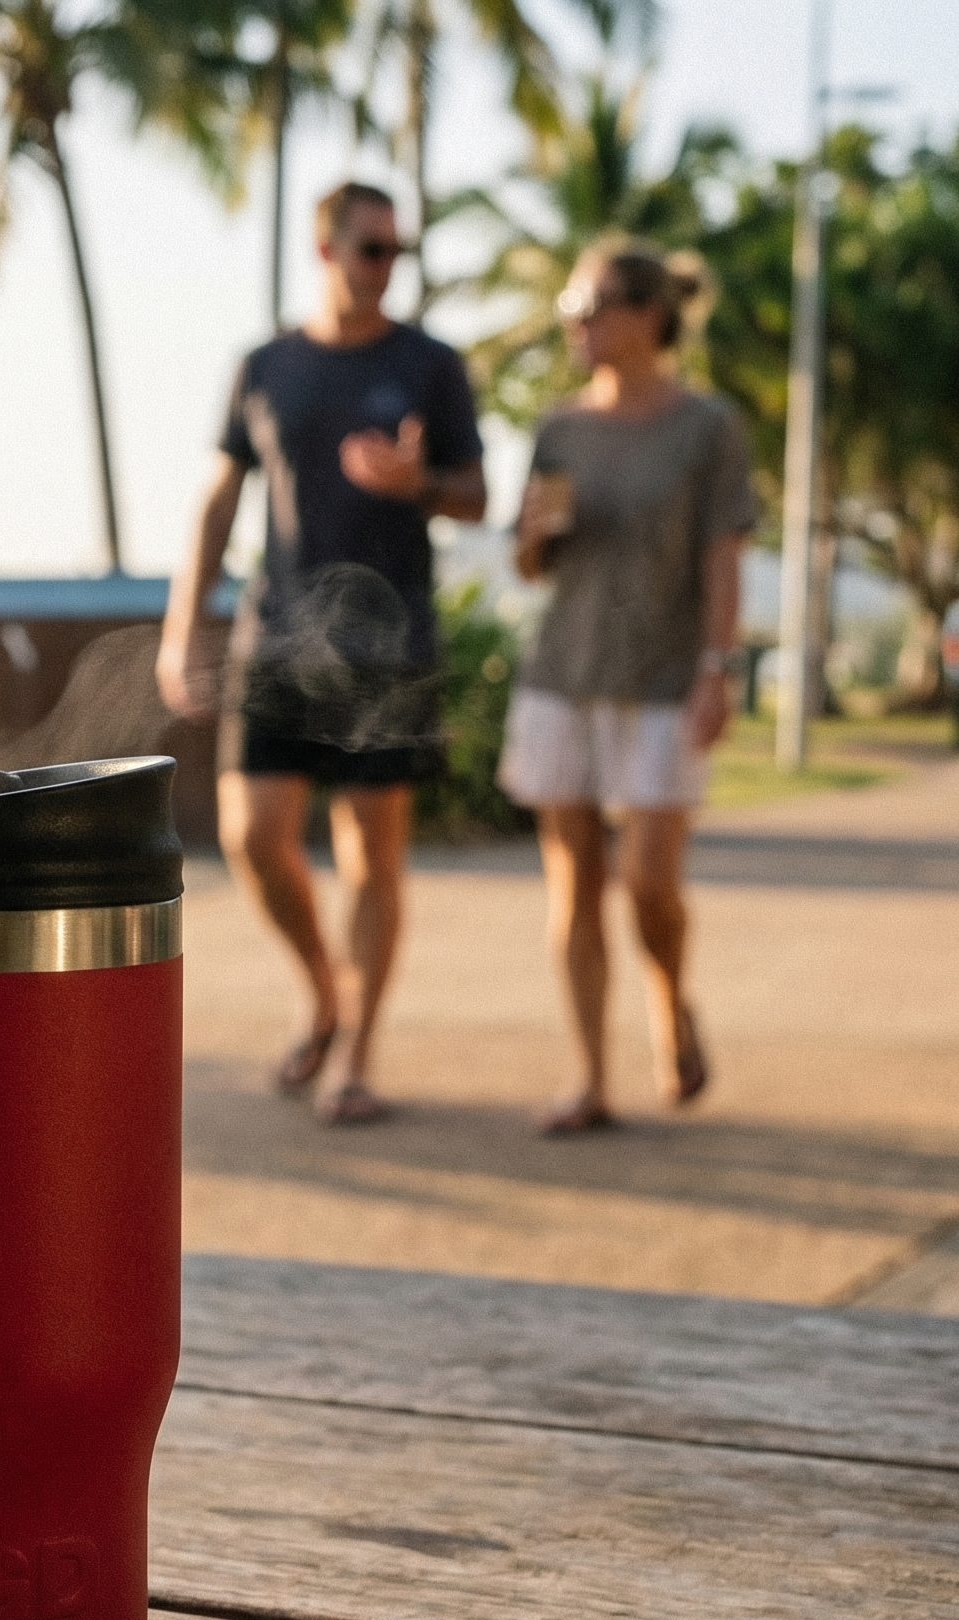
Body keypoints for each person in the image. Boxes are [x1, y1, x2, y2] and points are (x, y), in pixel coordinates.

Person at [157, 181, 486, 1125]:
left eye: (397, 251)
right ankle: (322, 992)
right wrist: (184, 628)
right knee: (251, 838)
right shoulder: (264, 366)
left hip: (391, 643)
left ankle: (356, 1055)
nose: (387, 266)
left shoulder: (430, 364)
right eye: (371, 248)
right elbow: (218, 500)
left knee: (372, 856)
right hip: (279, 636)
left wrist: (419, 482)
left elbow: (476, 496)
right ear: (326, 249)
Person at [502, 237, 756, 1135]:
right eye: (569, 310)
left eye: (591, 307)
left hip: (663, 678)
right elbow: (530, 565)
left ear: (649, 316)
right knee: (573, 883)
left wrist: (716, 672)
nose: (575, 324)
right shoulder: (559, 429)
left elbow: (722, 558)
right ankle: (588, 1078)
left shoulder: (708, 428)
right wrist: (533, 536)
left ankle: (669, 1001)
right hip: (562, 675)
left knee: (648, 880)